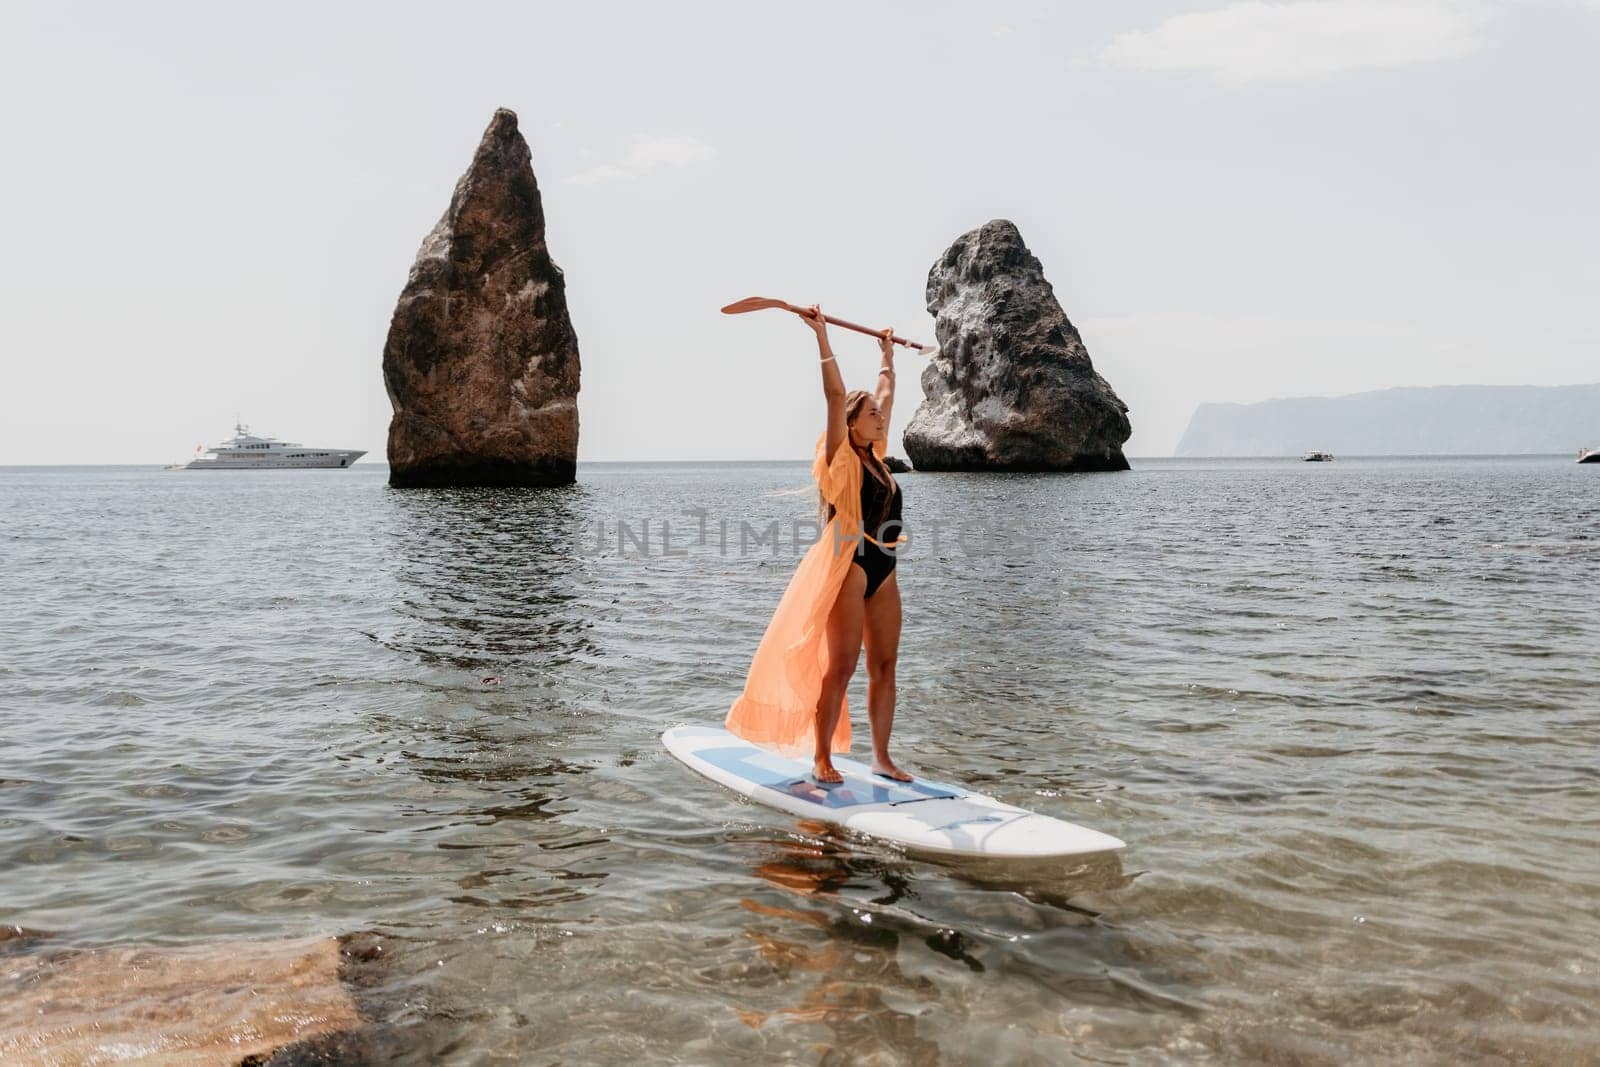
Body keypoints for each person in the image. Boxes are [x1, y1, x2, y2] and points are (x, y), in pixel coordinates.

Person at [724, 305, 912, 785]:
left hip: (885, 565)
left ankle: (882, 759)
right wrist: (822, 337)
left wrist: (887, 356)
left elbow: (886, 394)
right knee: (843, 666)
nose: (880, 418)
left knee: (885, 666)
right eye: (871, 415)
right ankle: (822, 757)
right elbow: (833, 395)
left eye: (879, 416)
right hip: (849, 562)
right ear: (851, 423)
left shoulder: (878, 456)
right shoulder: (840, 457)